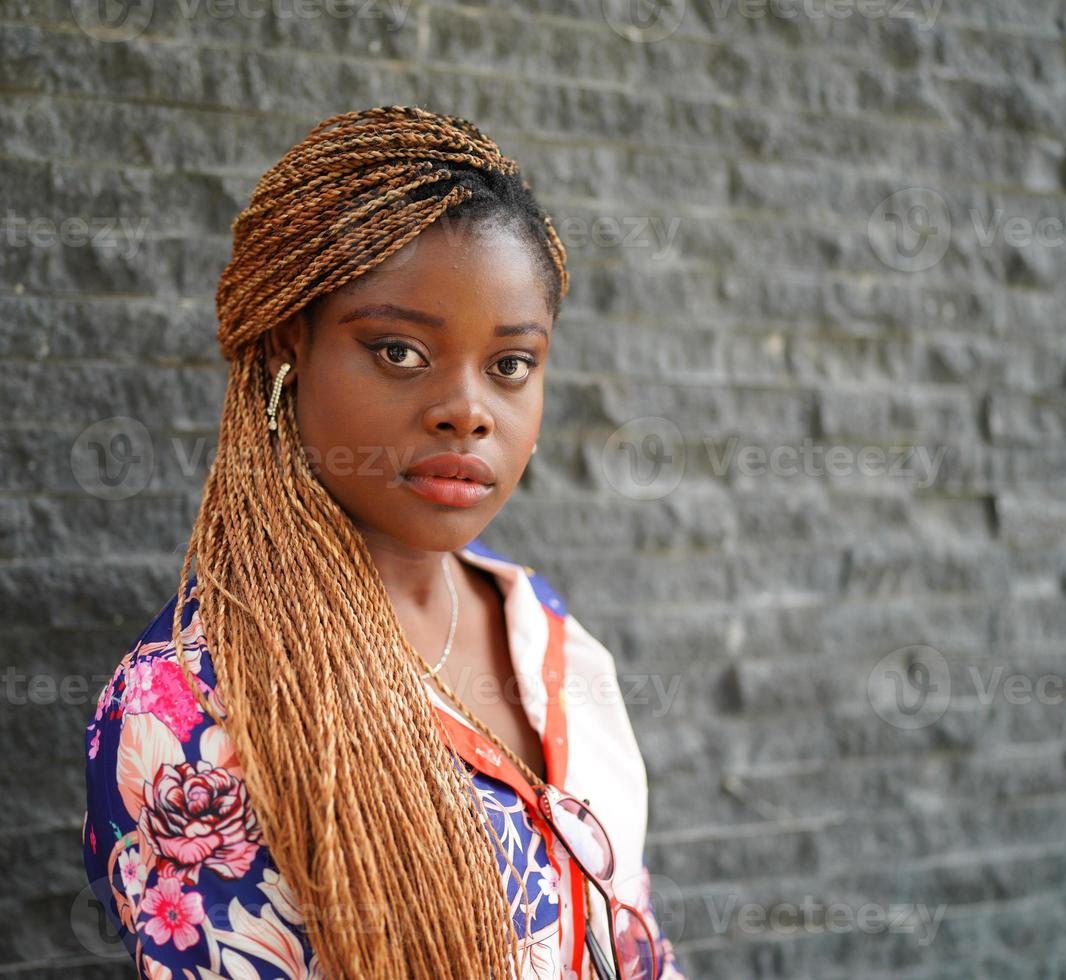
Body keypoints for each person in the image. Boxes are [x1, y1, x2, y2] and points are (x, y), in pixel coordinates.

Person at [82, 105, 689, 980]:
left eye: (511, 364)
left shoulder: (543, 623)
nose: (468, 409)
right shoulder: (190, 707)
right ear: (290, 349)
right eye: (400, 351)